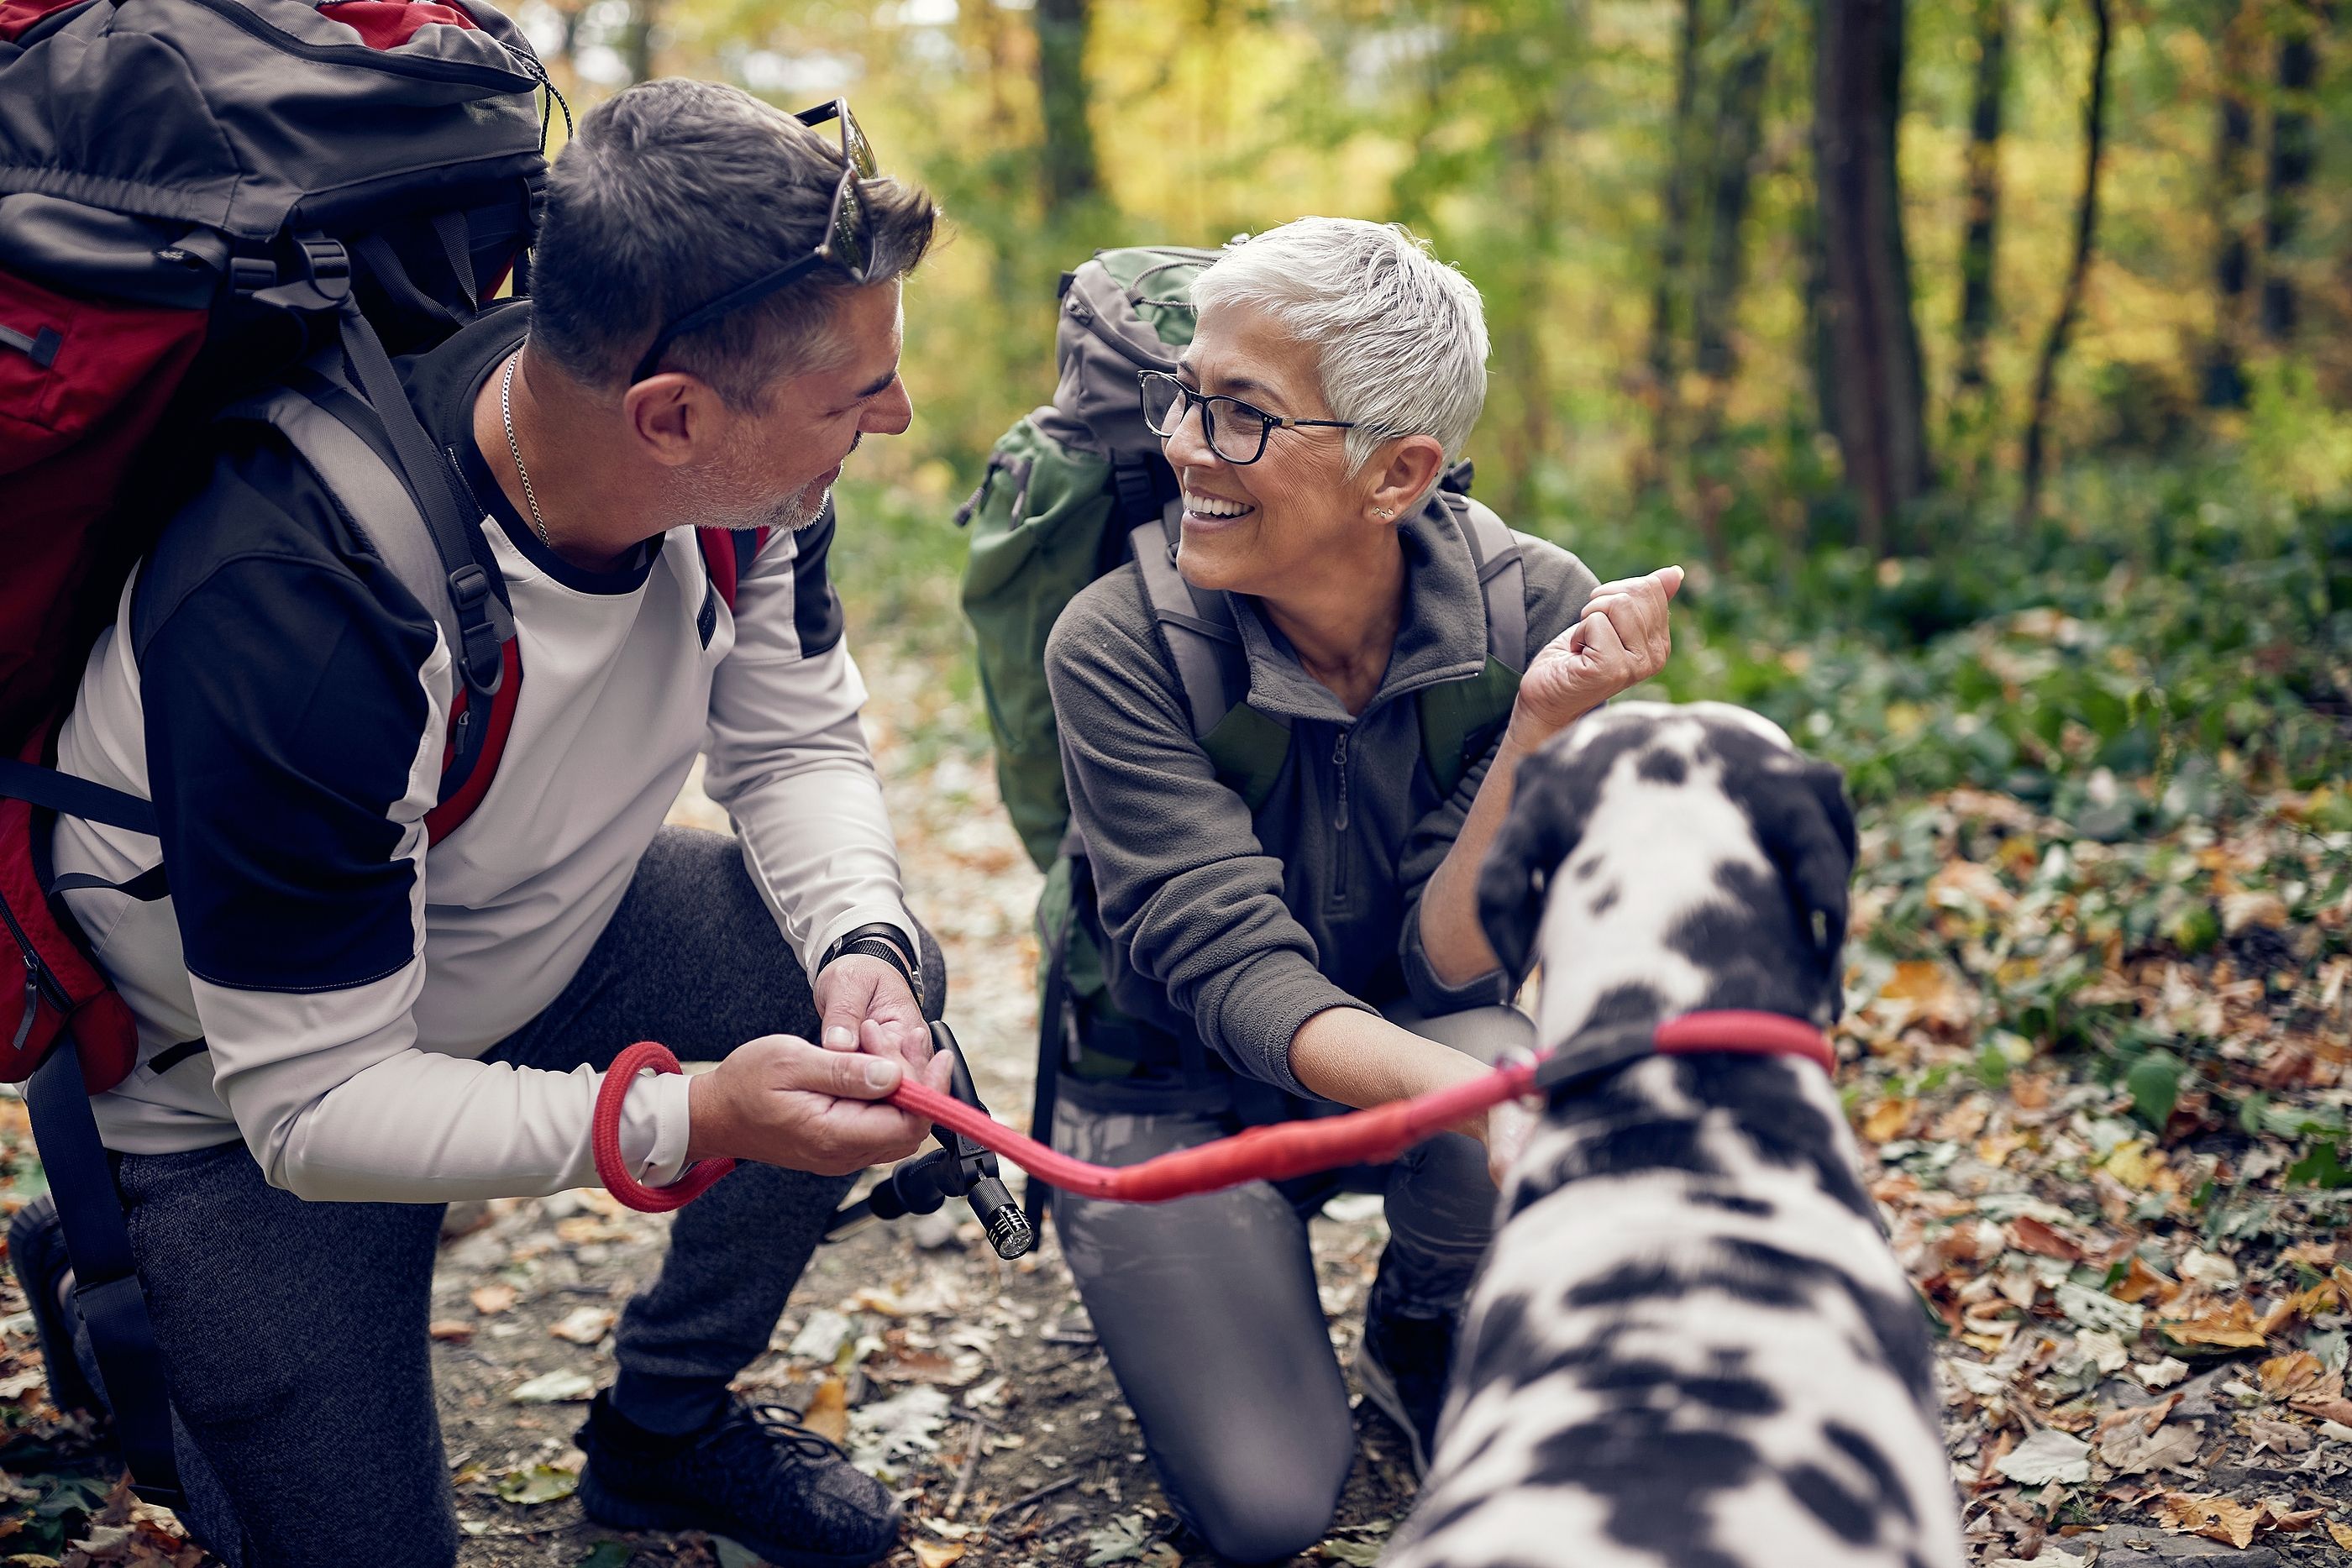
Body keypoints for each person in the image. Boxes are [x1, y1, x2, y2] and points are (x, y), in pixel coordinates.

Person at [12, 80, 951, 1568]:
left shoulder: (749, 473)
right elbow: (314, 1108)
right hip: (253, 1099)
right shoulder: (308, 604)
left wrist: (861, 946)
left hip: (514, 952)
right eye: (858, 397)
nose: (893, 418)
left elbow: (790, 739)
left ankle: (665, 1427)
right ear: (670, 415)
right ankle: (118, 1256)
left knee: (862, 985)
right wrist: (694, 1115)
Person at [1041, 217, 1683, 1561]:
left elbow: (1457, 969)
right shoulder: (1115, 642)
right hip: (1167, 1090)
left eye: (1241, 413)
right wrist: (1475, 1104)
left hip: (1397, 1045)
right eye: (1185, 396)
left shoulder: (1530, 614)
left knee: (1498, 1050)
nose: (1185, 445)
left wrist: (1538, 725)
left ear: (1399, 473)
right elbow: (1234, 975)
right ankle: (1225, 1273)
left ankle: (1421, 1321)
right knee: (1271, 1510)